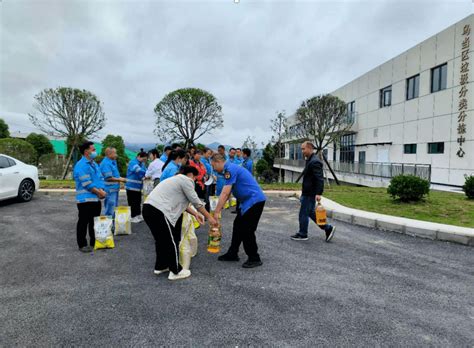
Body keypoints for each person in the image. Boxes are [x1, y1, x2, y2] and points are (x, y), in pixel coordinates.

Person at [142, 165, 217, 280]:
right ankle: (176, 271)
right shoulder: (186, 180)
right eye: (196, 179)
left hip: (149, 209)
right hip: (159, 211)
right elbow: (196, 201)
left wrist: (196, 214)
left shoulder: (175, 180)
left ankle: (161, 266)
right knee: (171, 240)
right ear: (191, 175)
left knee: (161, 240)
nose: (195, 182)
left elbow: (185, 204)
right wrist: (209, 217)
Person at [211, 154, 266, 268]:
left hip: (254, 201)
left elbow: (225, 193)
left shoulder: (230, 170)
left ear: (217, 162)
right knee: (238, 226)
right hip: (247, 202)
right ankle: (232, 253)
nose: (214, 169)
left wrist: (216, 212)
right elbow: (228, 192)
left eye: (213, 166)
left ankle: (254, 258)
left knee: (247, 230)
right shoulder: (231, 168)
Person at [291, 141, 336, 242]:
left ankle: (303, 234)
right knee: (311, 213)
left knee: (303, 213)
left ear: (310, 148)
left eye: (304, 149)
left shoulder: (315, 161)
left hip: (309, 193)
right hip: (307, 192)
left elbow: (319, 178)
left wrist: (319, 193)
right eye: (301, 149)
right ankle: (328, 228)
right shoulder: (310, 160)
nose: (302, 151)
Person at [73, 141, 106, 253]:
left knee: (94, 221)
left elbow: (100, 178)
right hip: (85, 200)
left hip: (96, 199)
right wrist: (99, 192)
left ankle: (94, 241)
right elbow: (86, 183)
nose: (95, 151)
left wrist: (102, 190)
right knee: (83, 222)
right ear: (86, 151)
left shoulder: (94, 164)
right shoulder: (81, 165)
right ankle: (82, 244)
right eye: (93, 149)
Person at [100, 147, 127, 217]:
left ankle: (113, 225)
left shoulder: (112, 162)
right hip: (109, 190)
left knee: (114, 208)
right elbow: (108, 178)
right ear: (109, 154)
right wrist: (120, 180)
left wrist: (121, 178)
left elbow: (115, 175)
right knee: (110, 209)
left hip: (114, 190)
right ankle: (109, 226)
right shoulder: (106, 163)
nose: (116, 155)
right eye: (115, 153)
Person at [125, 149, 148, 223]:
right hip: (131, 186)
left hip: (138, 187)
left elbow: (145, 171)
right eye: (143, 159)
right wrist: (147, 174)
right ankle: (132, 216)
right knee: (132, 202)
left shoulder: (142, 164)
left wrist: (147, 174)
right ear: (138, 156)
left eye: (145, 159)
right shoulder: (133, 162)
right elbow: (138, 170)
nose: (144, 160)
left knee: (138, 201)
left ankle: (137, 215)